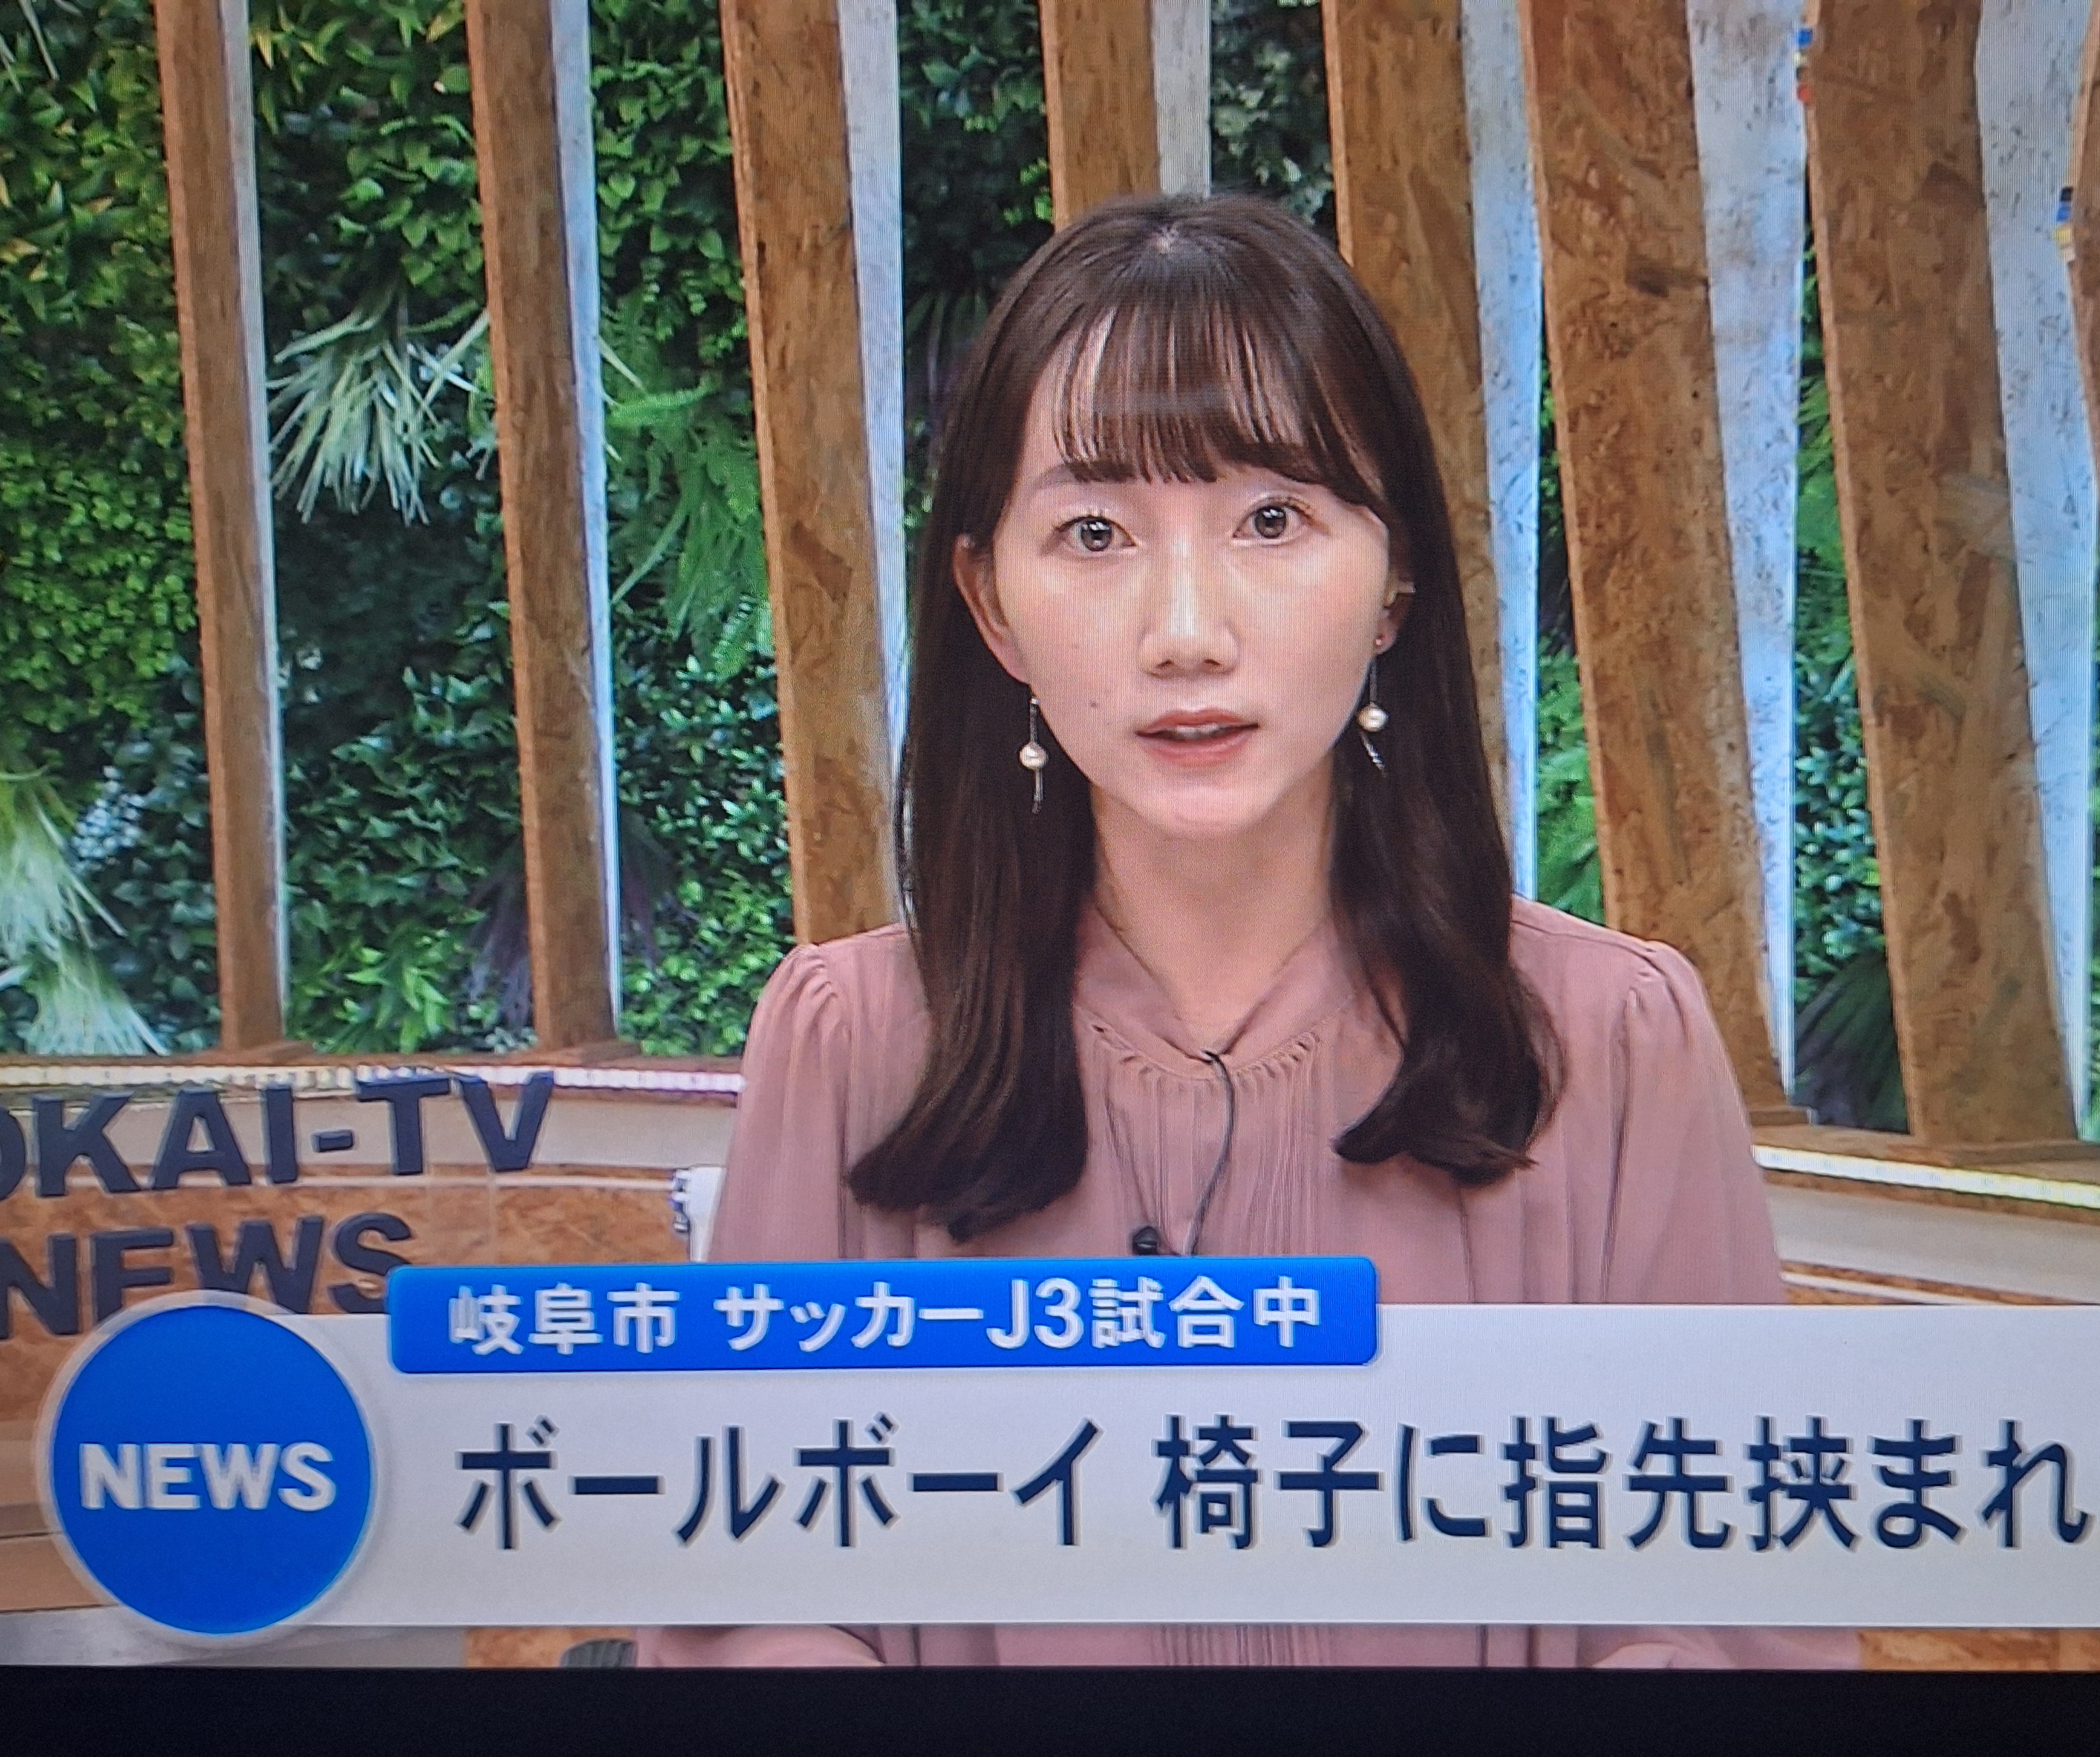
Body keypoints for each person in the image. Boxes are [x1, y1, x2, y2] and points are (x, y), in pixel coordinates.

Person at [638, 193, 1857, 1670]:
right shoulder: (850, 1042)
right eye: (1095, 533)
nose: (1187, 634)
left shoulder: (1612, 1040)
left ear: (1394, 582)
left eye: (1272, 521)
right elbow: (752, 1606)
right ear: (993, 607)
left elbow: (1726, 1618)